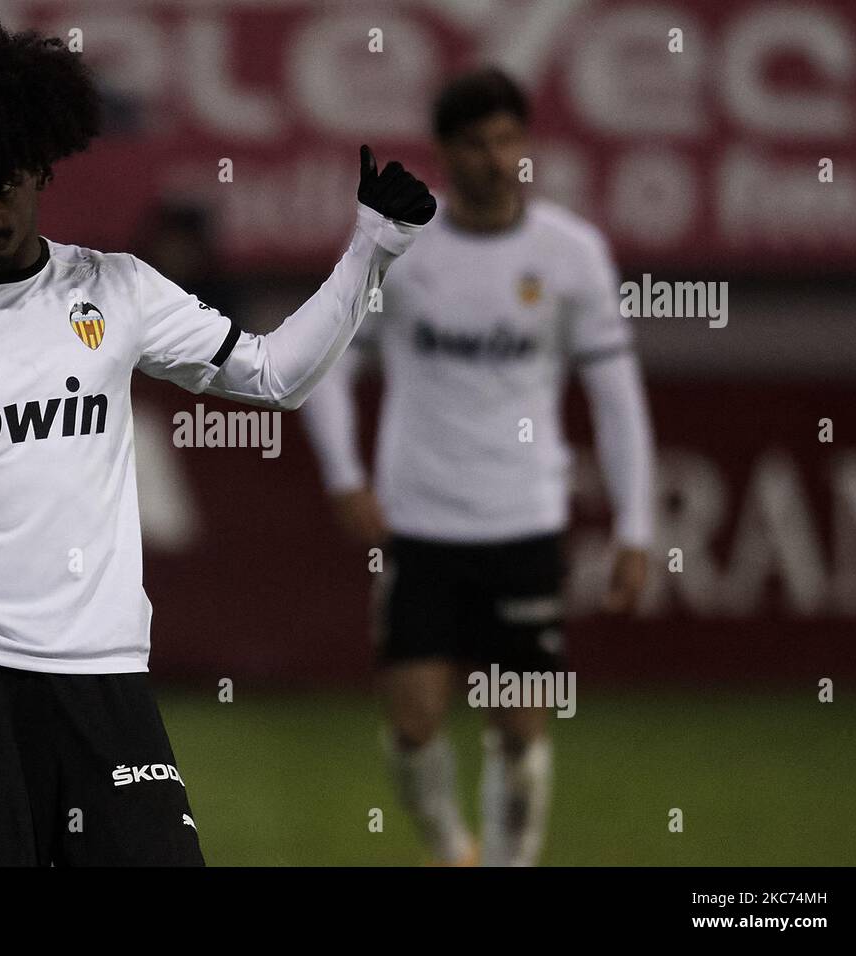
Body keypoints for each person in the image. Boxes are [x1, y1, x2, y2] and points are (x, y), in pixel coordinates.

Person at [0, 21, 436, 866]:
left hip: (104, 676)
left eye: (0, 185)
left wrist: (371, 251)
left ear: (40, 171)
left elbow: (275, 376)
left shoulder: (119, 290)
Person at [302, 67, 655, 866]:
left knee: (519, 728)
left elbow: (616, 395)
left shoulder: (571, 254)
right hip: (421, 523)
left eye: (507, 140)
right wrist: (344, 477)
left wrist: (636, 528)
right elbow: (326, 359)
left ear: (525, 145)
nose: (496, 159)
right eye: (476, 143)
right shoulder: (403, 247)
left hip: (525, 521)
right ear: (445, 153)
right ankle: (448, 847)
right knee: (414, 720)